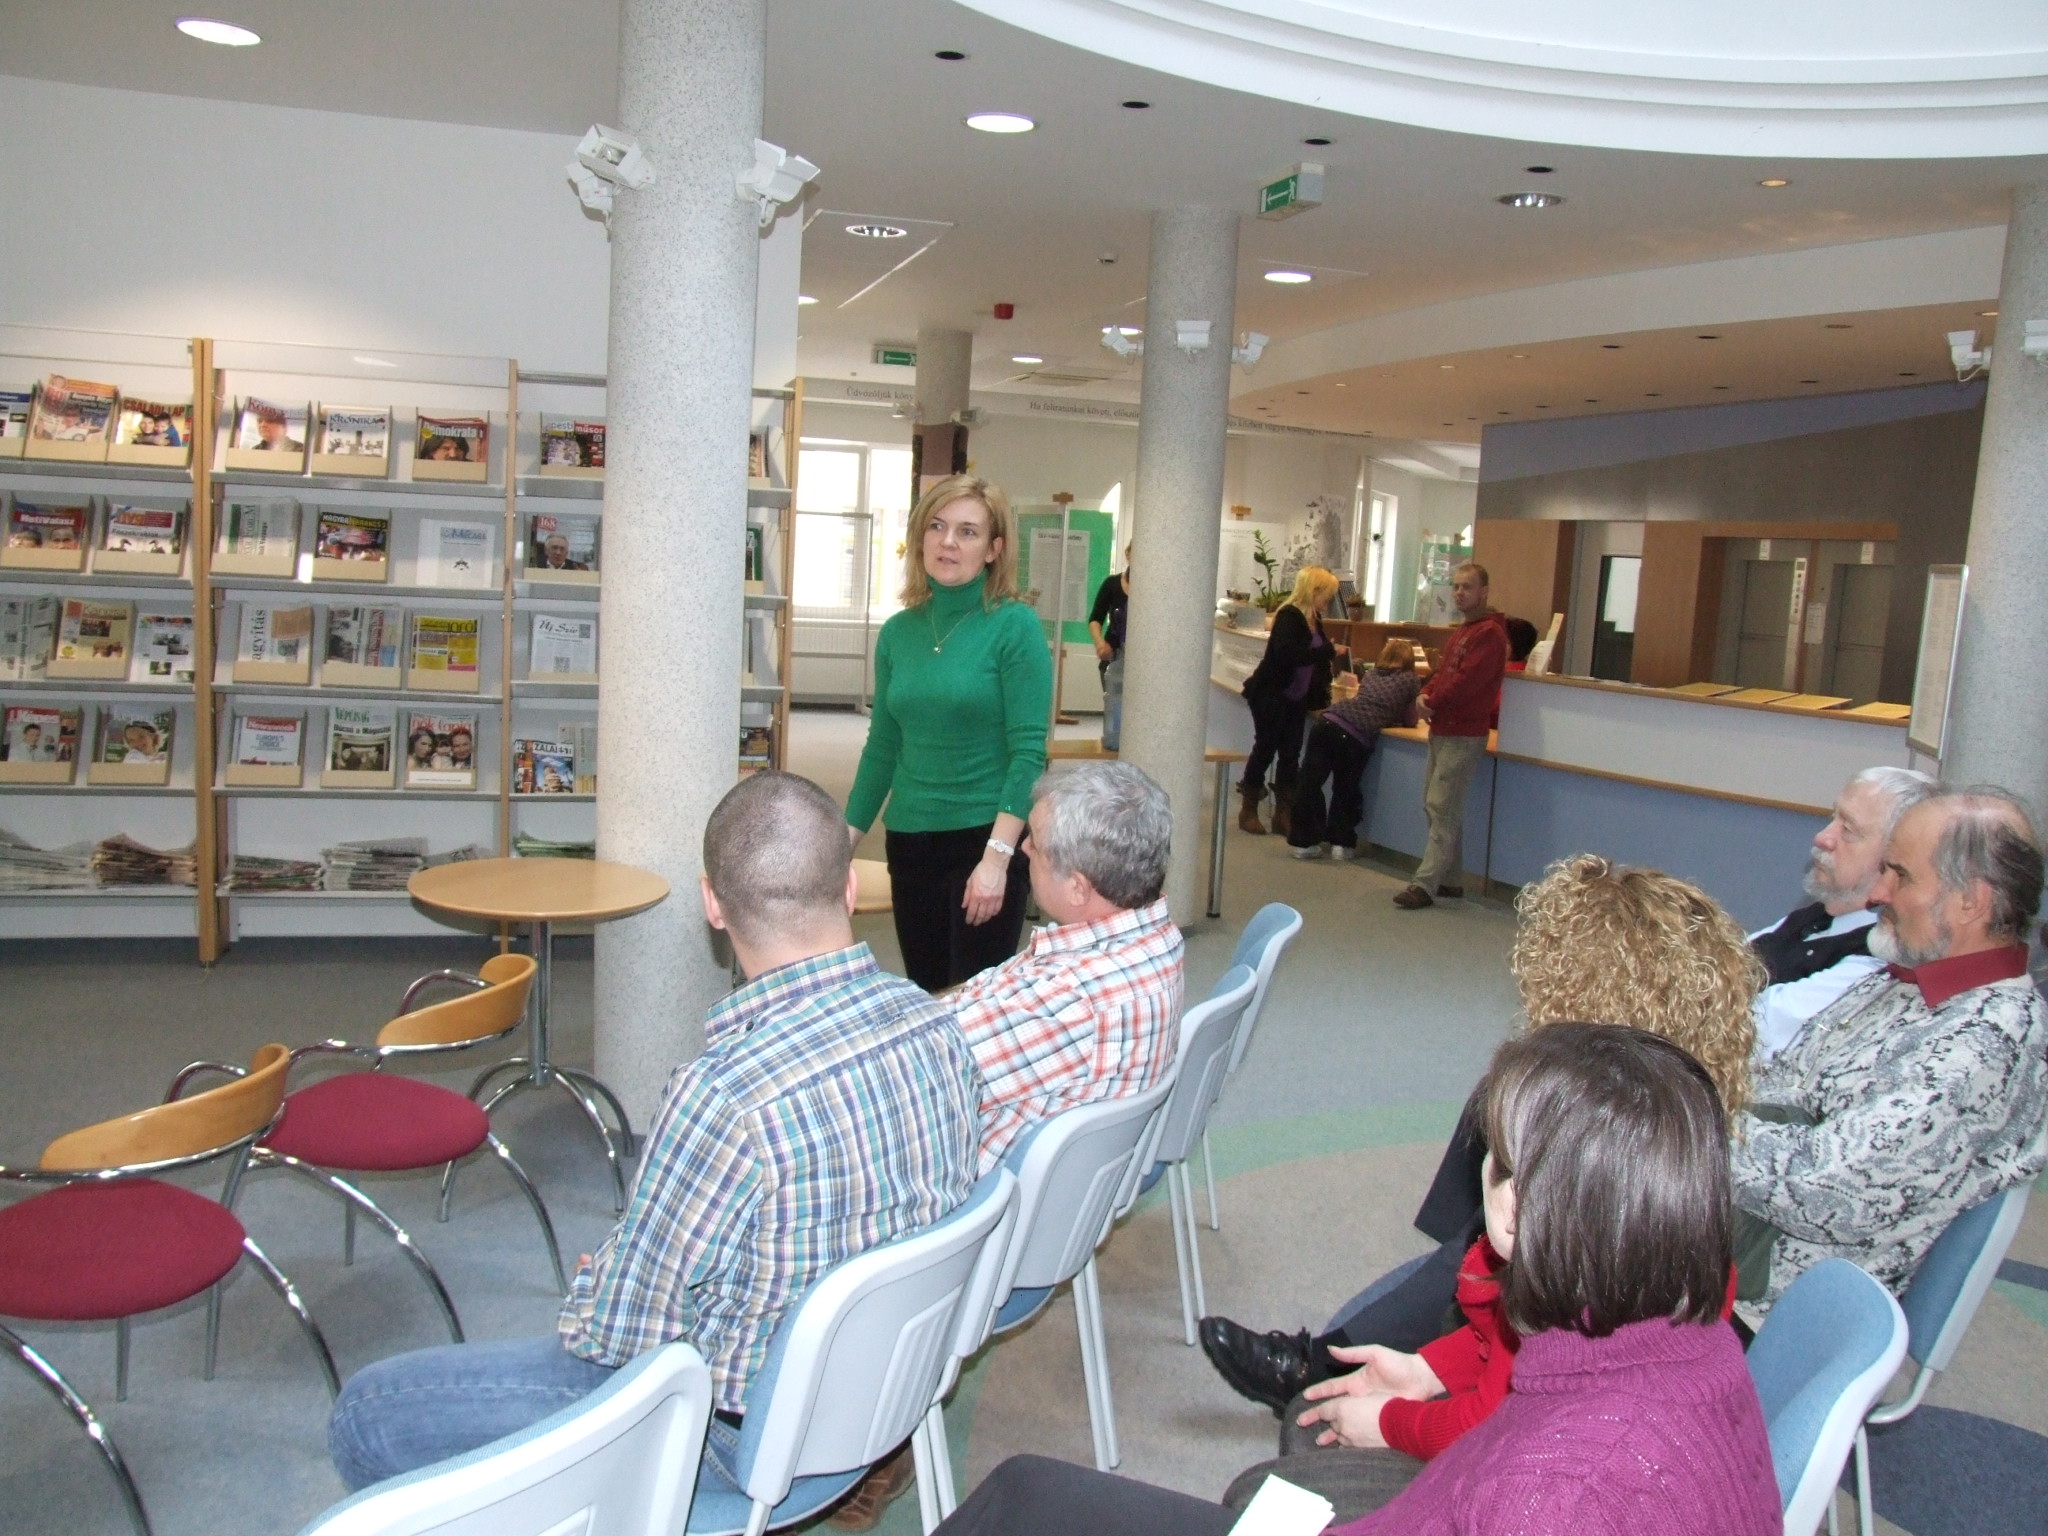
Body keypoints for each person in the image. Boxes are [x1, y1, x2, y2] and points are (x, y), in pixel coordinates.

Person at [325, 771, 982, 1491]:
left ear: (712, 905)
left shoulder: (724, 1094)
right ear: (849, 890)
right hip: (887, 1387)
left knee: (368, 1412)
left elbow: (620, 1332)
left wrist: (604, 1283)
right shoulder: (937, 1024)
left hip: (741, 1435)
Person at [926, 1025, 1781, 1536]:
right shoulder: (1683, 1329)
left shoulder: (1560, 1490)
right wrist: (1429, 1375)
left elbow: (1521, 1483)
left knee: (1024, 1500)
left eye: (1492, 1159)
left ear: (1518, 1210)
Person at [1202, 854, 1759, 1414]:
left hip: (1551, 1370)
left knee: (1492, 1148)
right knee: (1489, 1145)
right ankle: (1363, 1337)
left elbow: (1499, 1411)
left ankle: (1324, 1362)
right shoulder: (1673, 1100)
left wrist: (1394, 1422)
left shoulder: (1606, 1158)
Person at [1731, 785, 2048, 1317]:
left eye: (1900, 875)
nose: (1878, 893)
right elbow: (1782, 1082)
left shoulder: (1983, 1043)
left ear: (1970, 902)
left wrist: (1677, 1125)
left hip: (1772, 1296)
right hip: (1732, 1223)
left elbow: (1827, 1192)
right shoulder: (1906, 981)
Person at [845, 474, 1052, 992]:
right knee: (927, 993)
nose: (948, 542)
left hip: (984, 837)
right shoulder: (898, 632)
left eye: (967, 531)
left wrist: (997, 858)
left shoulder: (1015, 626)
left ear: (994, 549)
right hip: (911, 839)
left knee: (975, 1004)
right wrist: (842, 844)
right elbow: (882, 747)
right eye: (936, 527)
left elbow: (1029, 753)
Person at [950, 761, 1184, 1173]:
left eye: (1036, 843)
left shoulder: (1064, 998)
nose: (1023, 848)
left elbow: (920, 1062)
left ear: (1077, 887)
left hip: (987, 1185)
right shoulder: (1157, 935)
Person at [1750, 765, 1935, 1059]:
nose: (1822, 838)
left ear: (1895, 858)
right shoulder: (1820, 915)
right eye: (1832, 818)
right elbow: (1724, 960)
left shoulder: (1882, 956)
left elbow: (1754, 1029)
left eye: (1847, 830)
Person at [1394, 564, 1507, 909]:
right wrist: (1424, 693)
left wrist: (1432, 702)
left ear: (1484, 592)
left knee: (1442, 806)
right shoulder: (1463, 631)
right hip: (1443, 729)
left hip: (1464, 733)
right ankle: (1451, 880)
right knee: (1437, 806)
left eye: (1467, 587)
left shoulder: (1489, 634)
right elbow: (1444, 673)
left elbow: (1466, 682)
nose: (1459, 593)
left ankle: (1425, 884)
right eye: (1456, 586)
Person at [1289, 639, 1423, 861]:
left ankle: (1303, 843)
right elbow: (1411, 719)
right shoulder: (1411, 680)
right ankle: (1340, 844)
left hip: (1328, 720)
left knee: (1310, 783)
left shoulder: (1370, 675)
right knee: (1346, 789)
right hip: (1355, 735)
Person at [1239, 566, 1346, 838]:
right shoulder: (1289, 616)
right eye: (1327, 594)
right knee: (1265, 748)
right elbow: (1289, 656)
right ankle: (1248, 809)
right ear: (1314, 591)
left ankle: (1283, 813)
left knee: (1290, 755)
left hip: (1296, 699)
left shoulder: (1315, 620)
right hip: (1271, 695)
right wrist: (1327, 651)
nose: (1329, 601)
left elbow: (1314, 661)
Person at [1087, 546, 1129, 751]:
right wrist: (1100, 643)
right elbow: (1095, 619)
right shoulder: (1111, 584)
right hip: (1112, 657)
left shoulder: (1153, 589)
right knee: (1115, 710)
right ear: (1128, 554)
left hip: (1141, 661)